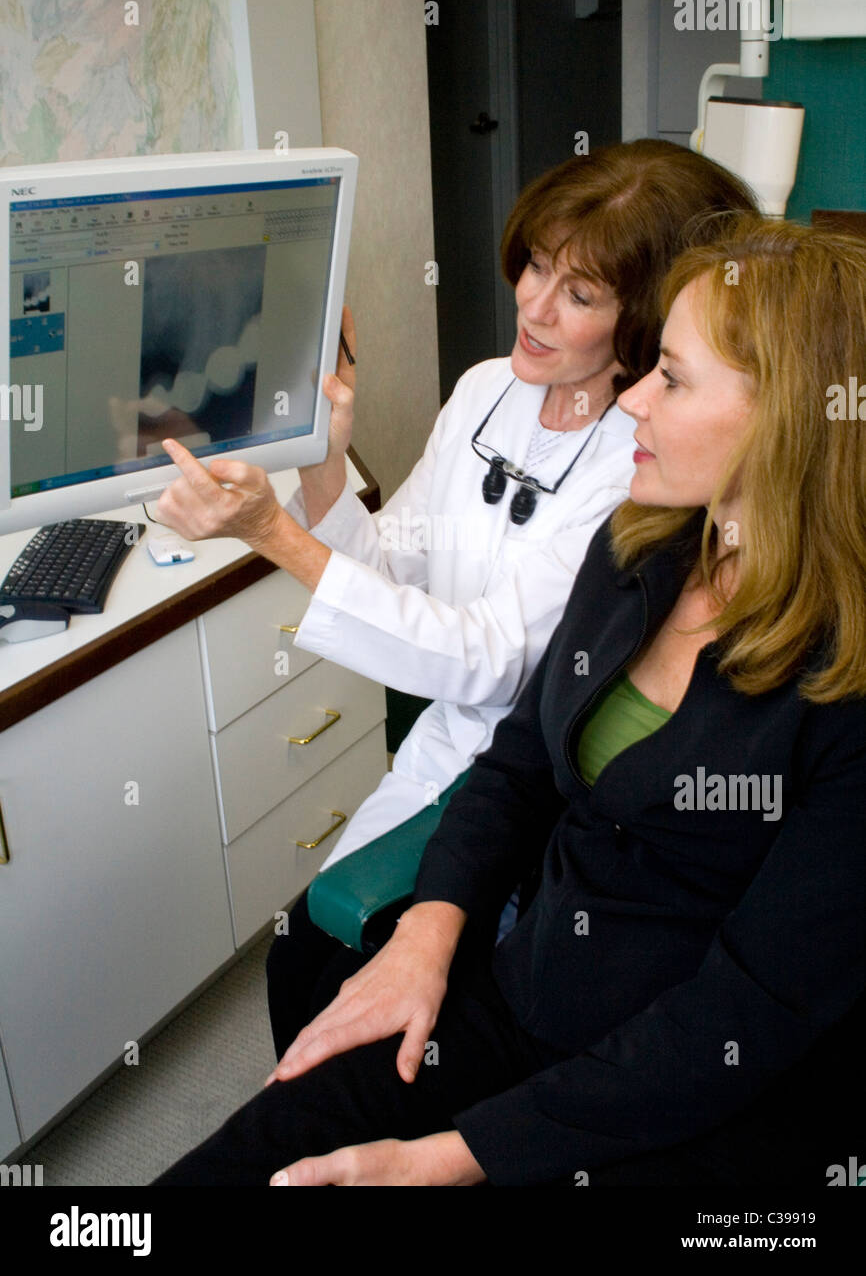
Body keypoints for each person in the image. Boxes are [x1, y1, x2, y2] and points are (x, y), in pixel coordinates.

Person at [153, 214, 865, 1186]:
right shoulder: (641, 545)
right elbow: (522, 753)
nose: (633, 406)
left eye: (671, 377)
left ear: (786, 417)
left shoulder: (842, 680)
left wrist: (453, 1155)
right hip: (527, 985)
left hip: (681, 1087)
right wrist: (429, 927)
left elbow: (748, 1007)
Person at [152, 140, 758, 1052]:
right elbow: (396, 561)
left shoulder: (641, 467)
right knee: (302, 962)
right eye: (537, 266)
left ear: (647, 321)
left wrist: (272, 536)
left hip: (531, 772)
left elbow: (487, 661)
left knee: (352, 995)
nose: (535, 306)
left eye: (580, 294)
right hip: (443, 746)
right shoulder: (487, 390)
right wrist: (324, 459)